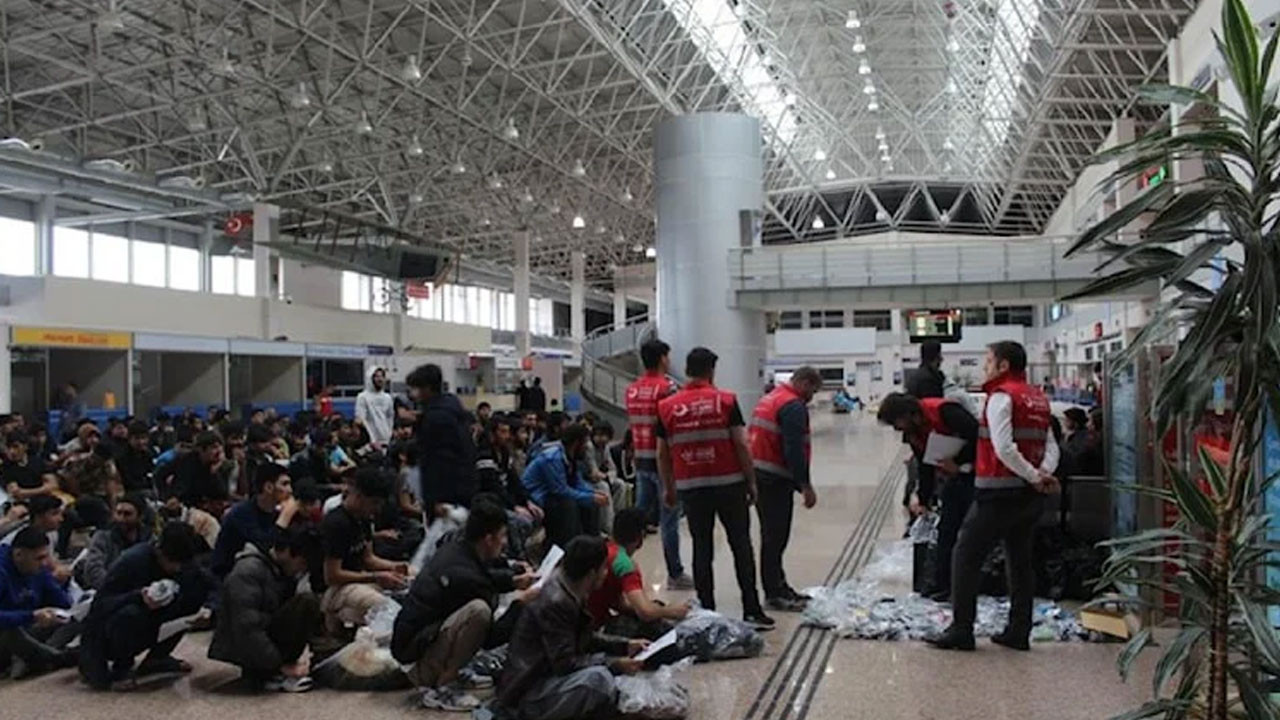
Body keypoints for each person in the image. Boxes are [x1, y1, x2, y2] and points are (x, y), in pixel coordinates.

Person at [929, 341, 1060, 652]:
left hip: (998, 493)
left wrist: (1033, 476)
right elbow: (1051, 444)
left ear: (1003, 365)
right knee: (1020, 561)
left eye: (988, 361)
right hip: (1029, 497)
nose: (984, 367)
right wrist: (1042, 474)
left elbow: (1003, 448)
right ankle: (1018, 630)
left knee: (965, 556)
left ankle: (962, 629)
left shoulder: (1001, 396)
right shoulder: (1037, 397)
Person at [657, 347, 773, 630]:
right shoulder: (726, 401)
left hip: (692, 488)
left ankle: (707, 610)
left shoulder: (667, 406)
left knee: (702, 548)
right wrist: (751, 481)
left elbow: (662, 453)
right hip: (729, 484)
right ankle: (751, 609)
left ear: (687, 370)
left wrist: (669, 488)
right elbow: (741, 444)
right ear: (711, 371)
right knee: (741, 545)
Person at [393, 499, 539, 711]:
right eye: (503, 536)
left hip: (416, 645)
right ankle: (443, 686)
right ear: (488, 539)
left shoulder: (457, 549)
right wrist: (520, 603)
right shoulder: (466, 576)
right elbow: (490, 639)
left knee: (478, 608)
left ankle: (448, 671)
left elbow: (484, 575)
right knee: (479, 612)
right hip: (416, 663)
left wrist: (513, 580)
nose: (505, 542)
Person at [495, 535, 645, 720]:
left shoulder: (568, 587)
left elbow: (583, 637)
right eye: (604, 568)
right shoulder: (557, 602)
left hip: (539, 677)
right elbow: (565, 664)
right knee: (599, 680)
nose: (606, 573)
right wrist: (615, 663)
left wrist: (625, 645)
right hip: (527, 693)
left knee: (604, 679)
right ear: (592, 573)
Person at [79, 522, 211, 690]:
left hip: (157, 622)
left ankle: (157, 658)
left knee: (195, 590)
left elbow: (212, 585)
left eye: (181, 564)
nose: (176, 568)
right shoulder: (132, 561)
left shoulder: (185, 563)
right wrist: (137, 596)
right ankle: (122, 667)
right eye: (172, 562)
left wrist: (208, 609)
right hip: (115, 628)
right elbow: (100, 606)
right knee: (131, 614)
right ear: (159, 551)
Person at [876, 392, 979, 601]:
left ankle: (968, 585)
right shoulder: (913, 433)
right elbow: (925, 466)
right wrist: (923, 500)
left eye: (896, 422)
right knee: (946, 532)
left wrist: (959, 461)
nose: (897, 429)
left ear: (908, 414)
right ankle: (943, 585)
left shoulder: (946, 412)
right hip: (952, 479)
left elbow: (980, 438)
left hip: (976, 477)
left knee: (970, 535)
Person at [208, 526, 321, 693]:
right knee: (306, 602)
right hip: (241, 641)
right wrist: (278, 665)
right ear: (287, 552)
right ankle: (266, 671)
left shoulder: (282, 572)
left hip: (262, 631)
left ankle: (275, 667)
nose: (301, 570)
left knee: (309, 602)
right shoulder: (247, 572)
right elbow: (246, 627)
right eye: (302, 563)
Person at [748, 366, 822, 612]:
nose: (811, 397)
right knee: (775, 538)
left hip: (760, 473)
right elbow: (794, 449)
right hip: (775, 478)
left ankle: (779, 586)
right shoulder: (792, 406)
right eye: (813, 390)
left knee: (771, 536)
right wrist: (805, 485)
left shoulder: (771, 397)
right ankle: (774, 593)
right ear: (804, 383)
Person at [624, 339, 691, 589]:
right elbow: (675, 427)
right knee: (669, 520)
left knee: (637, 516)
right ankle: (675, 574)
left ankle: (617, 561)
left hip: (642, 460)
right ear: (663, 358)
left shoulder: (632, 389)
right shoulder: (667, 388)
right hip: (664, 464)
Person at [320, 467, 407, 634]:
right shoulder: (337, 524)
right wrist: (376, 576)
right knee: (383, 607)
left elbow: (369, 559)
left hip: (360, 579)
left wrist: (394, 567)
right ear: (359, 497)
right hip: (336, 589)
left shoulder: (364, 520)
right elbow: (332, 576)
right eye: (374, 503)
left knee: (409, 581)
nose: (377, 509)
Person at [587, 508, 689, 638]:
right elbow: (645, 613)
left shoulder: (604, 548)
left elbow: (619, 604)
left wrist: (656, 609)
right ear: (640, 538)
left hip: (580, 622)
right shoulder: (624, 564)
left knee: (656, 607)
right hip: (594, 629)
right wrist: (671, 611)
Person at [0, 527, 77, 679]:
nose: (44, 563)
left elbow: (64, 603)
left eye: (46, 557)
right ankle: (56, 658)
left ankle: (29, 659)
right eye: (39, 558)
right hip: (8, 631)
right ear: (19, 555)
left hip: (28, 629)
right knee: (10, 631)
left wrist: (63, 581)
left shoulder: (39, 570)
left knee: (76, 617)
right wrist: (31, 616)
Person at [407, 363, 478, 516]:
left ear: (427, 388)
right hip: (465, 486)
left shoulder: (435, 418)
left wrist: (437, 500)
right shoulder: (452, 407)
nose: (413, 394)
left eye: (416, 389)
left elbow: (438, 461)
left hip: (446, 495)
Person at [522, 424, 607, 547]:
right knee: (569, 504)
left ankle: (592, 545)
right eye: (584, 443)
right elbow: (560, 490)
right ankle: (568, 547)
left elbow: (577, 482)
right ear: (576, 443)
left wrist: (592, 494)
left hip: (553, 494)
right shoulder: (553, 458)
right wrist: (589, 497)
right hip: (536, 496)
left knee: (590, 503)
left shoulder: (572, 457)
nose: (586, 448)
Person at [211, 463, 300, 578]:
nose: (290, 490)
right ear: (268, 487)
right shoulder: (241, 513)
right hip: (230, 575)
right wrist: (285, 518)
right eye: (284, 484)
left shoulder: (275, 512)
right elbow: (262, 547)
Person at [75, 493, 153, 591]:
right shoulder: (103, 536)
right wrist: (114, 589)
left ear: (140, 516)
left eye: (127, 514)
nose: (121, 519)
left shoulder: (149, 539)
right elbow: (93, 569)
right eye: (118, 513)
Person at [2, 431, 58, 501]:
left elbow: (53, 485)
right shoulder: (7, 466)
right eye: (9, 447)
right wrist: (44, 489)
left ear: (25, 446)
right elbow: (17, 493)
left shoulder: (37, 461)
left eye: (16, 446)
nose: (12, 451)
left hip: (43, 499)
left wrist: (28, 492)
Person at [356, 367, 396, 451]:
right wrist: (372, 439)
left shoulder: (387, 397)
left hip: (386, 440)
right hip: (369, 441)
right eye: (377, 376)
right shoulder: (362, 397)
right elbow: (361, 419)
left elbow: (390, 417)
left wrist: (389, 434)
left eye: (382, 376)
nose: (380, 379)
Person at [114, 421, 155, 494]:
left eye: (143, 438)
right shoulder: (122, 457)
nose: (141, 442)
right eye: (137, 438)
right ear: (129, 439)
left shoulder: (148, 454)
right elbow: (127, 481)